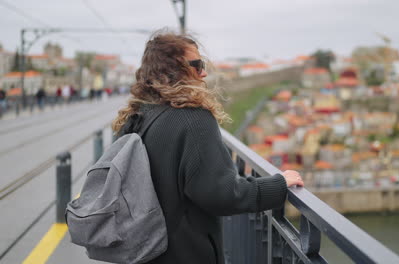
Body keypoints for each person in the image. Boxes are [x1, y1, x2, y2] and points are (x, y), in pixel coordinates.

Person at [112, 30, 304, 264]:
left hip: (140, 250)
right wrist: (279, 185)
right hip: (182, 252)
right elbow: (222, 195)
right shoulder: (193, 120)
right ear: (174, 70)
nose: (203, 73)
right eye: (197, 65)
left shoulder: (136, 117)